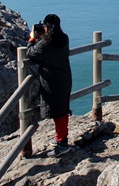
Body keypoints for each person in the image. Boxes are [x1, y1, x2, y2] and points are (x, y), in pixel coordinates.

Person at [26, 14, 73, 157]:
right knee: (62, 110)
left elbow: (31, 54)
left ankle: (62, 145)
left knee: (58, 114)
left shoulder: (45, 43)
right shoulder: (64, 38)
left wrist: (32, 38)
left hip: (52, 82)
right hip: (64, 79)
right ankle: (61, 138)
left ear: (47, 27)